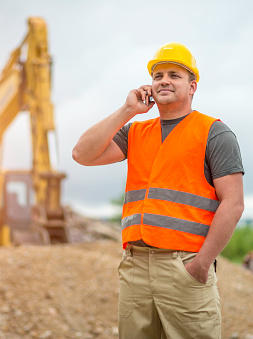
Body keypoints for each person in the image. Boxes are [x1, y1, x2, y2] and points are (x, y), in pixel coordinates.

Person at [72, 42, 244, 338]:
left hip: (185, 265)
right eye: (158, 75)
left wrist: (202, 263)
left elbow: (234, 203)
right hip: (136, 266)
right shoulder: (136, 132)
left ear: (192, 87)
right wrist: (128, 110)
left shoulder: (214, 133)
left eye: (174, 75)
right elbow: (81, 154)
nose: (164, 79)